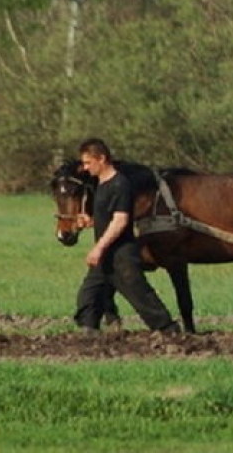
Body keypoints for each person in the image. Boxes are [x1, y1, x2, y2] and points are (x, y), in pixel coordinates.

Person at [74, 138, 180, 335]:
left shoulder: (120, 184)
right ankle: (89, 334)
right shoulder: (102, 185)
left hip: (121, 254)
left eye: (88, 163)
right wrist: (90, 221)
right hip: (107, 254)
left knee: (140, 295)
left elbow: (121, 220)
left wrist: (99, 248)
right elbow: (108, 216)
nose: (86, 168)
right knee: (87, 296)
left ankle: (168, 330)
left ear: (102, 158)